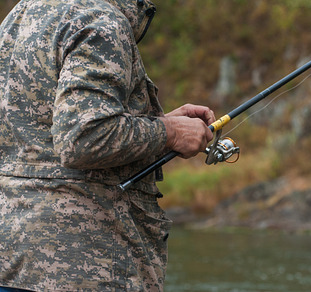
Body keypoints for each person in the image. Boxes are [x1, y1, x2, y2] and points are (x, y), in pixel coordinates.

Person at [0, 0, 214, 291]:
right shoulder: (99, 19)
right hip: (86, 262)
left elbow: (40, 137)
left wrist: (154, 124)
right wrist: (170, 132)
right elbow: (83, 137)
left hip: (12, 257)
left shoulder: (21, 14)